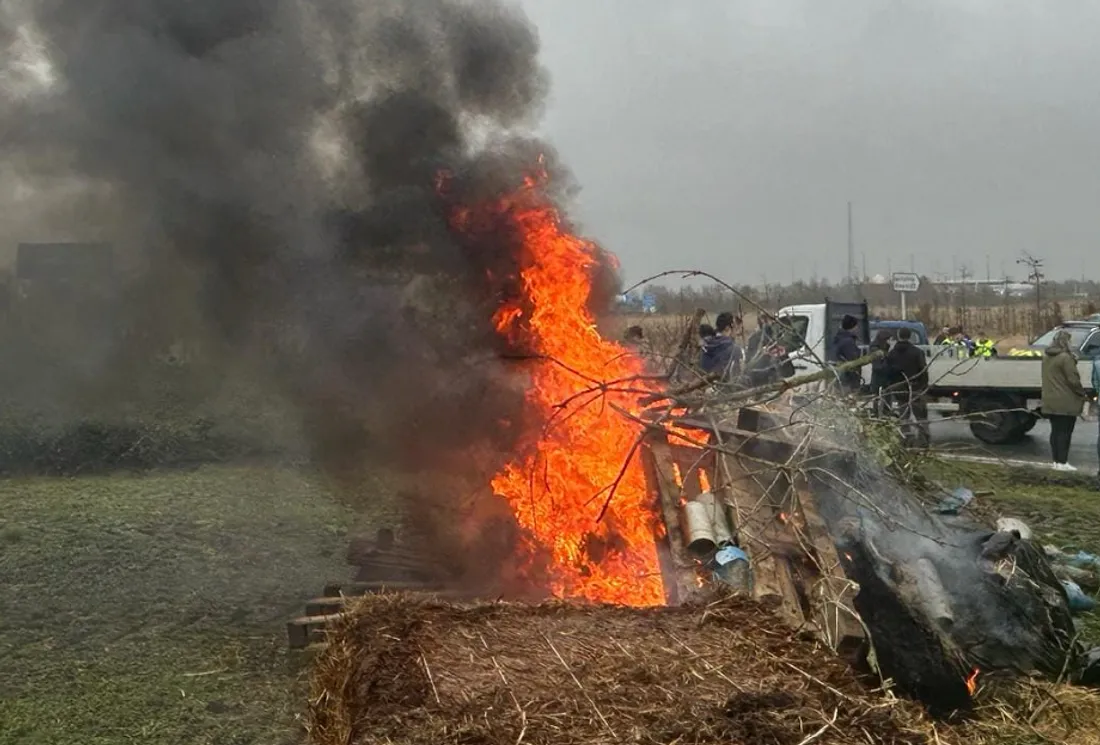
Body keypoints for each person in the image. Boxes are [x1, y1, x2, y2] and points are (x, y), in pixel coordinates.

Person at [1041, 329, 1089, 471]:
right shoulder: (1065, 358)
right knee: (1065, 432)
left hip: (1050, 399)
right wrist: (1082, 393)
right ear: (1066, 342)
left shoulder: (1047, 357)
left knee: (1055, 431)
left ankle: (1056, 461)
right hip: (1065, 400)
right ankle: (1063, 462)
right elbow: (1073, 380)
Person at [886, 327, 930, 445]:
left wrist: (893, 385)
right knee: (921, 416)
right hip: (915, 388)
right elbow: (923, 371)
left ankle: (906, 439)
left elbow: (888, 372)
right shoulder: (917, 352)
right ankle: (924, 440)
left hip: (899, 389)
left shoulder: (892, 354)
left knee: (903, 416)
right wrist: (923, 386)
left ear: (898, 336)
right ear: (910, 336)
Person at [700, 312, 744, 380]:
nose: (737, 333)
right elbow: (737, 377)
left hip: (702, 383)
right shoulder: (734, 349)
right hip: (725, 385)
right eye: (736, 329)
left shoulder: (706, 346)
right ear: (727, 328)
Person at [833, 314, 862, 392]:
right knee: (847, 398)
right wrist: (855, 384)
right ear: (851, 327)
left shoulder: (840, 338)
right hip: (848, 380)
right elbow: (853, 362)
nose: (857, 328)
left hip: (841, 378)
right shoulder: (848, 342)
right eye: (856, 326)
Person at [868, 329, 893, 409]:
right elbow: (878, 366)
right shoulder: (875, 349)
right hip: (878, 377)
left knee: (887, 396)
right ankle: (877, 411)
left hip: (884, 377)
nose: (890, 341)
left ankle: (886, 410)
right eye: (889, 339)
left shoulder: (884, 347)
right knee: (877, 396)